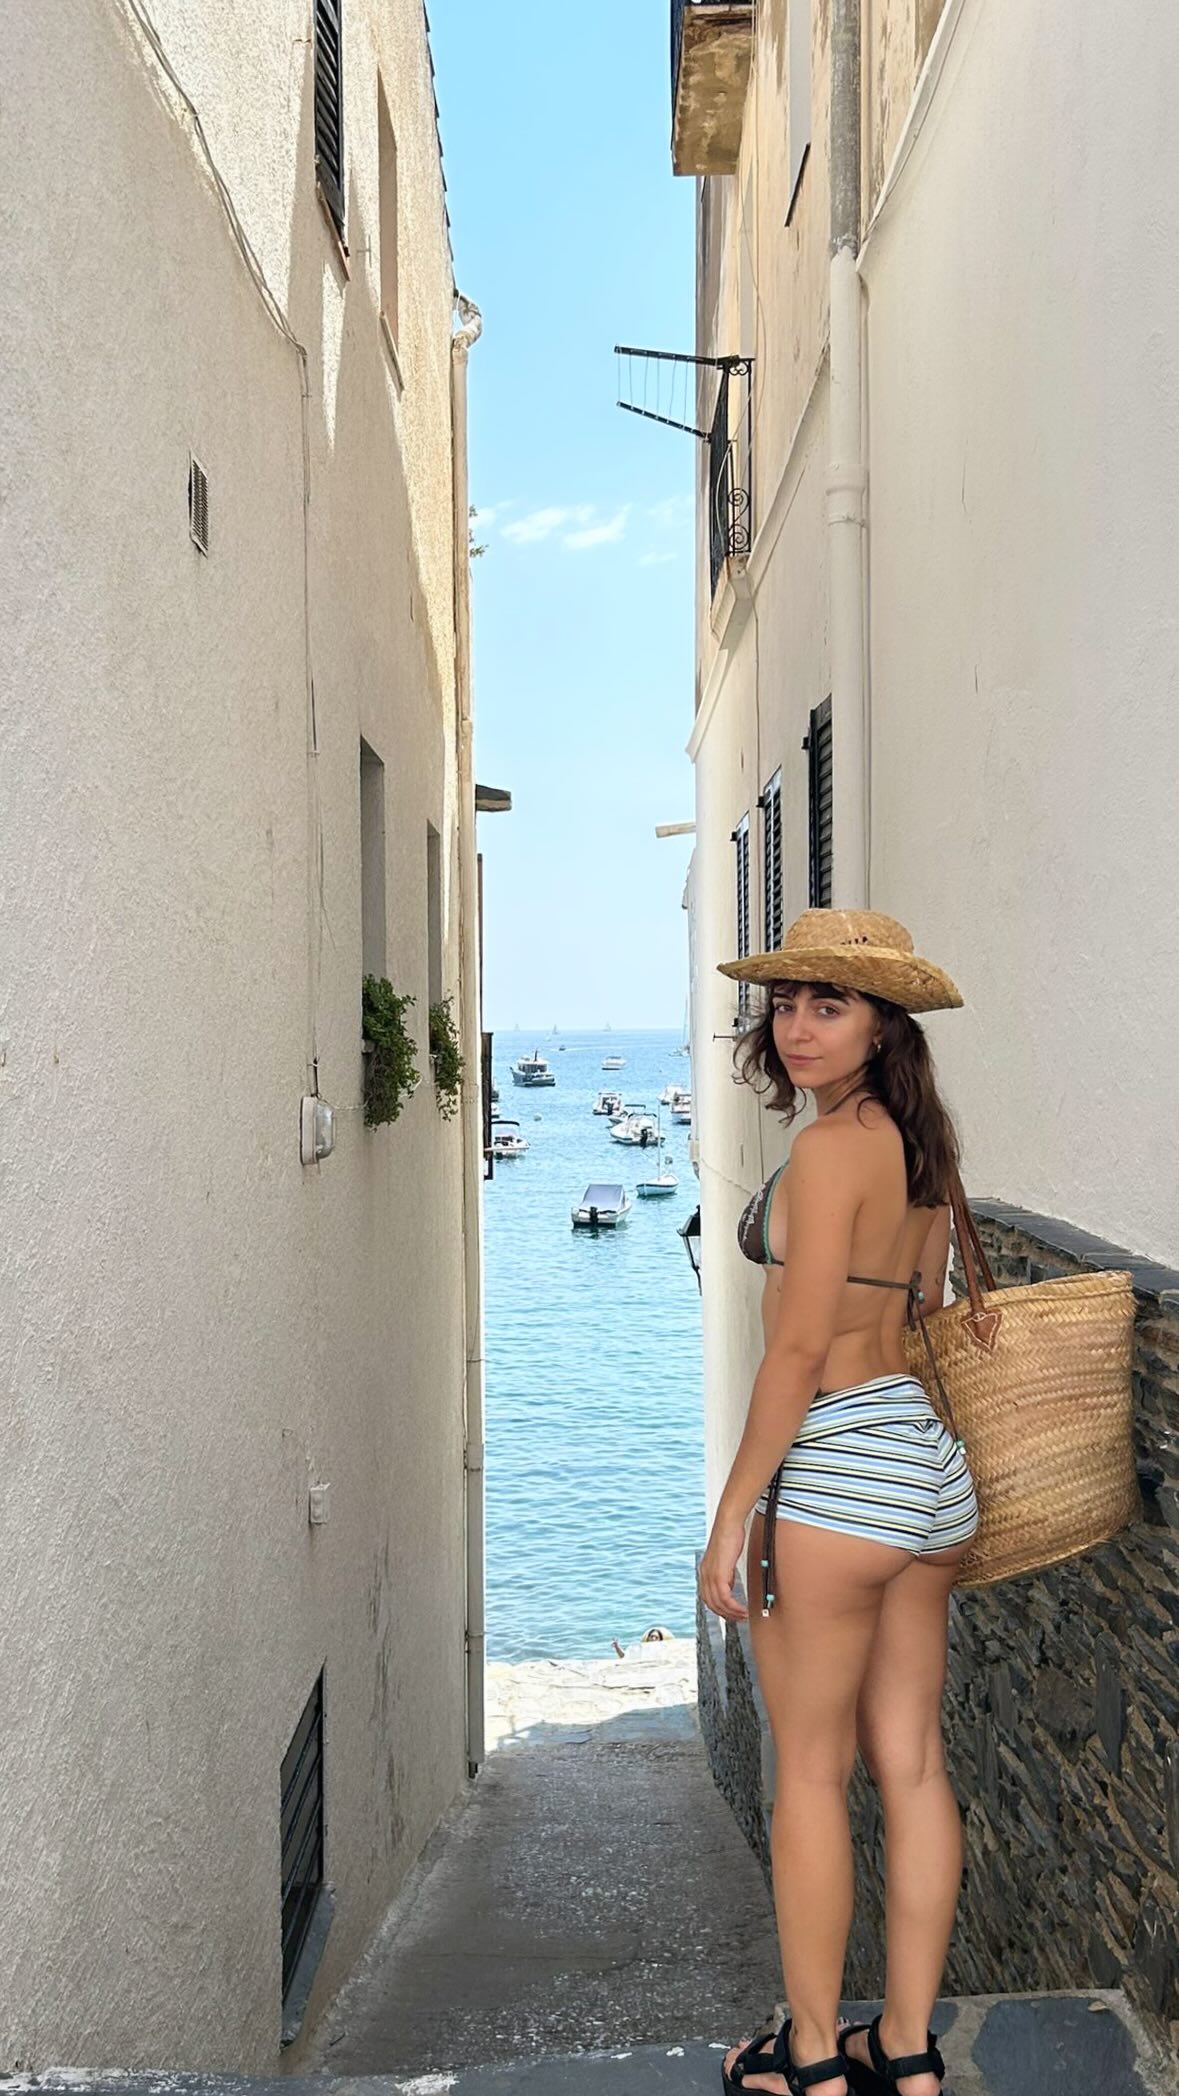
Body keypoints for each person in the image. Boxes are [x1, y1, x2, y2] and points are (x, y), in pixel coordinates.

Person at [698, 909, 980, 2096]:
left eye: (831, 1003)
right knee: (910, 1763)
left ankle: (811, 2057)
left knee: (811, 1773)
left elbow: (802, 1347)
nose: (798, 1026)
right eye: (788, 1002)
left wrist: (732, 1512)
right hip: (926, 1472)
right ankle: (906, 2048)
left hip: (837, 1473)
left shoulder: (826, 1152)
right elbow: (924, 1310)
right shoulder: (923, 1148)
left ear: (883, 1025)